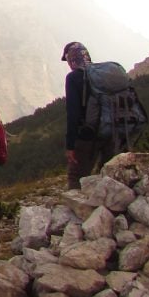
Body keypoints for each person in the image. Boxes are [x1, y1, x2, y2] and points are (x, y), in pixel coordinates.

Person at [62, 41, 109, 190]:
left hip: (88, 134)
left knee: (76, 177)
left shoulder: (73, 78)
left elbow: (73, 113)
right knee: (108, 176)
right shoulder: (102, 73)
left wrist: (70, 145)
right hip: (113, 131)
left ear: (71, 59)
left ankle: (78, 210)